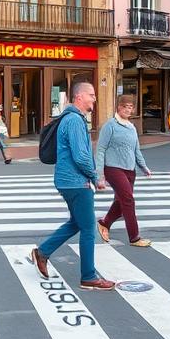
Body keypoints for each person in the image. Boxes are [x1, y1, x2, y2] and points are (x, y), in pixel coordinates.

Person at [29, 81, 113, 290]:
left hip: (67, 180)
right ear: (79, 97)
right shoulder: (75, 121)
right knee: (87, 229)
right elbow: (81, 156)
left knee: (77, 222)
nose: (95, 98)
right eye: (91, 95)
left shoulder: (71, 118)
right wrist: (95, 177)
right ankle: (89, 276)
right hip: (76, 182)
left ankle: (42, 252)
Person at [95, 95, 152, 248]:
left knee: (121, 202)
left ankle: (104, 223)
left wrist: (143, 166)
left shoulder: (132, 127)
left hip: (130, 169)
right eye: (125, 106)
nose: (128, 109)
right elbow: (100, 149)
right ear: (118, 107)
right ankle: (134, 237)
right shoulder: (110, 126)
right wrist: (99, 175)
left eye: (130, 107)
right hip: (113, 168)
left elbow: (136, 149)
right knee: (128, 200)